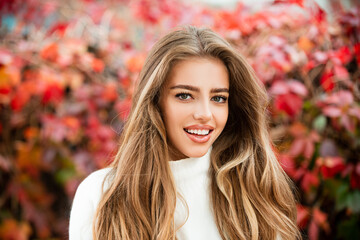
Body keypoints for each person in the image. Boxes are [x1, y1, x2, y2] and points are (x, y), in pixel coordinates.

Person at [69, 26, 301, 240]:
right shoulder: (100, 195)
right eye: (184, 95)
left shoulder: (255, 189)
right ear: (155, 100)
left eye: (218, 98)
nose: (205, 114)